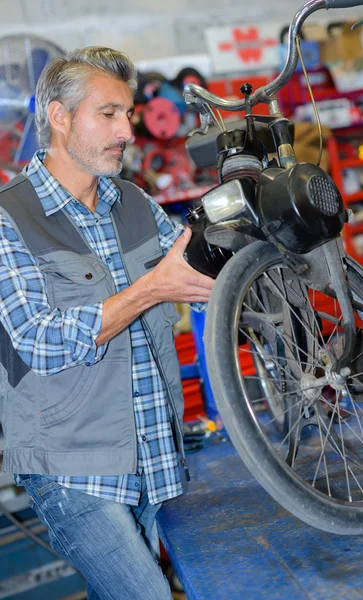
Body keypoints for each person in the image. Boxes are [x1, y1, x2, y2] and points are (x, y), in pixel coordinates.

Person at [0, 46, 214, 600]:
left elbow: (197, 275)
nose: (128, 131)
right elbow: (37, 341)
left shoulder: (134, 202)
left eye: (129, 114)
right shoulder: (10, 219)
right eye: (109, 114)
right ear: (60, 117)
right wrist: (150, 290)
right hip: (73, 469)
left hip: (149, 454)